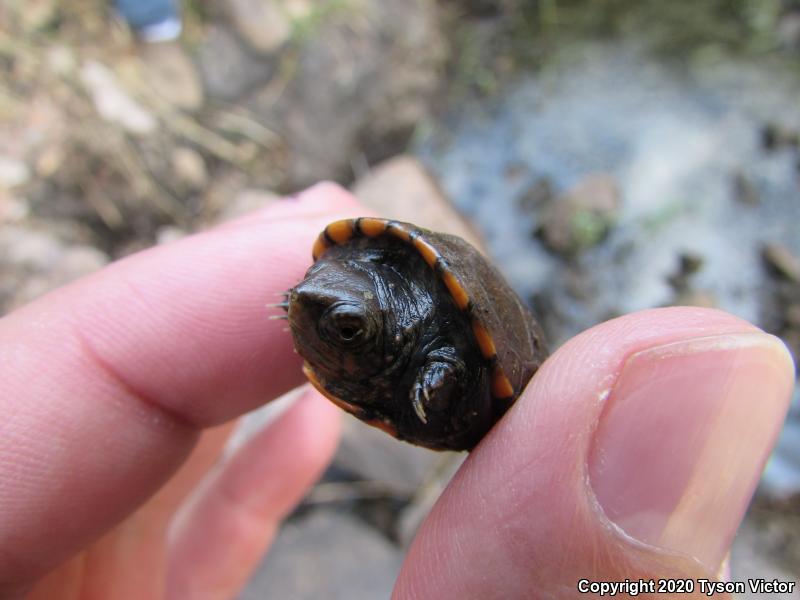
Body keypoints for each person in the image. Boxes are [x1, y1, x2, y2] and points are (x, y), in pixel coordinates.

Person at [0, 183, 794, 598]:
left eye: (340, 325)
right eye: (310, 301)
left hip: (465, 358)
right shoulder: (333, 286)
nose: (306, 302)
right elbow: (325, 292)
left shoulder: (417, 330)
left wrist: (437, 378)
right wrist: (331, 318)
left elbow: (456, 350)